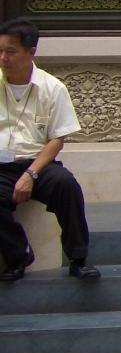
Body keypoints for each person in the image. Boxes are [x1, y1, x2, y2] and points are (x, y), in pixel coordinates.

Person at [0, 18, 100, 282]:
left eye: (10, 51)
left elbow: (57, 139)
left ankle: (78, 259)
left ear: (31, 51)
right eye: (0, 51)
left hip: (37, 164)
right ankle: (18, 256)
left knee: (67, 186)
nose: (3, 58)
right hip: (1, 167)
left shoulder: (52, 88)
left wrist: (31, 174)